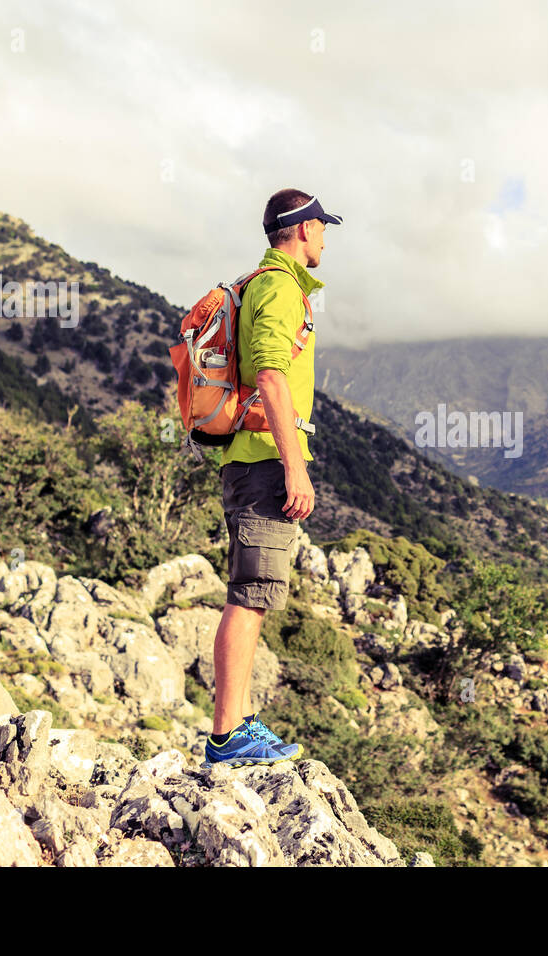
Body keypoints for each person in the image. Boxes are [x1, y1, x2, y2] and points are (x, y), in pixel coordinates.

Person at [202, 188, 342, 767]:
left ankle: (232, 729)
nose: (326, 237)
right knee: (250, 597)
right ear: (303, 229)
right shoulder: (281, 287)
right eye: (322, 227)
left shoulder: (265, 283)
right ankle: (227, 736)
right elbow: (270, 376)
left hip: (250, 458)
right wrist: (295, 465)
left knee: (253, 595)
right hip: (263, 461)